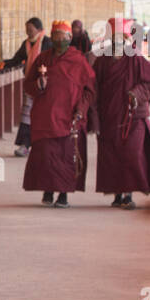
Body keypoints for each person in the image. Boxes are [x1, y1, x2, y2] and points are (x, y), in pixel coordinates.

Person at [93, 18, 150, 209]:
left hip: (132, 116)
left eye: (122, 38)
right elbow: (94, 89)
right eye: (115, 38)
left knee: (131, 154)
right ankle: (117, 194)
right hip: (109, 116)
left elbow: (149, 83)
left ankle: (128, 194)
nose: (118, 42)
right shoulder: (102, 62)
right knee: (112, 156)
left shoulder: (136, 59)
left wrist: (136, 94)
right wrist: (94, 117)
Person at [22, 21, 96, 209]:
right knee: (46, 156)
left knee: (66, 158)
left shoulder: (78, 61)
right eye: (55, 36)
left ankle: (63, 195)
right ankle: (48, 190)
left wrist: (81, 109)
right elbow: (28, 84)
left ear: (70, 38)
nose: (59, 40)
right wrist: (37, 86)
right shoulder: (42, 59)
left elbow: (89, 90)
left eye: (63, 36)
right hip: (46, 117)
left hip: (69, 117)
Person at [3, 17, 51, 157]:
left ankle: (42, 144)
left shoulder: (47, 42)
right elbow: (17, 59)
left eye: (30, 29)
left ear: (39, 29)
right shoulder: (27, 44)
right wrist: (3, 65)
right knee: (27, 115)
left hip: (45, 84)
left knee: (44, 114)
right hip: (30, 84)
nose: (28, 32)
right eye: (26, 29)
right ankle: (24, 145)